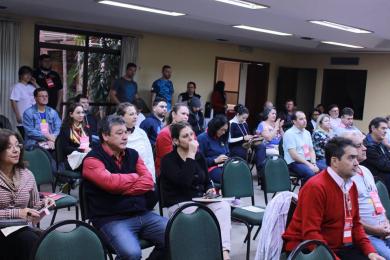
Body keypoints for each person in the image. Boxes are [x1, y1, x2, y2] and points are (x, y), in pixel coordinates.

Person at [283, 137, 383, 260]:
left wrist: (371, 252)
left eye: (356, 158)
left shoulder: (351, 185)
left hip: (336, 247)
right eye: (351, 158)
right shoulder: (316, 187)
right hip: (307, 249)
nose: (357, 163)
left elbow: (356, 225)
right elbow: (311, 234)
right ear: (335, 161)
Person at [82, 115, 167, 260]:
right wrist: (134, 177)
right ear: (105, 136)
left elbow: (148, 182)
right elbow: (110, 183)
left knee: (176, 235)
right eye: (119, 133)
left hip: (142, 213)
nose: (125, 137)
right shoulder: (92, 159)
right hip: (111, 219)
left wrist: (121, 189)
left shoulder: (133, 154)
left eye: (126, 132)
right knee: (131, 254)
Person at [160, 122, 232, 260]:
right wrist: (191, 155)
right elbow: (184, 182)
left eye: (191, 134)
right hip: (179, 203)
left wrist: (210, 189)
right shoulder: (168, 160)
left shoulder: (199, 157)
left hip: (200, 200)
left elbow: (206, 180)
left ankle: (223, 252)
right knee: (196, 216)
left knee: (223, 206)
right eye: (185, 136)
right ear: (176, 141)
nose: (191, 138)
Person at [0, 129, 55, 260]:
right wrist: (18, 213)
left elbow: (34, 205)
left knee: (46, 240)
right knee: (29, 241)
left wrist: (44, 204)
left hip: (20, 227)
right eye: (9, 147)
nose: (15, 150)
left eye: (17, 145)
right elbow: (21, 212)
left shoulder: (27, 174)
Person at [342, 131, 390, 259]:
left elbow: (377, 201)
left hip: (383, 230)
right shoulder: (345, 177)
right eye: (360, 145)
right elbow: (349, 218)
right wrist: (376, 231)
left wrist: (386, 222)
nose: (365, 148)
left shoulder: (366, 170)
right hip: (366, 235)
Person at [116, 102, 156, 182]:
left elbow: (149, 158)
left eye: (136, 114)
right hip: (123, 178)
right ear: (121, 117)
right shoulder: (115, 134)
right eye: (131, 114)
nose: (135, 117)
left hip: (144, 177)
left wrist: (152, 179)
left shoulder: (141, 133)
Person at [283, 111, 319, 184]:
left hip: (307, 161)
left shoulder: (307, 133)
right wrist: (309, 165)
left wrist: (314, 163)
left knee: (323, 170)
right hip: (294, 163)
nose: (305, 121)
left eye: (305, 118)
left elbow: (311, 150)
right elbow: (294, 156)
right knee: (310, 173)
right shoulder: (289, 134)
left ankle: (312, 194)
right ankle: (303, 193)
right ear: (294, 121)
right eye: (301, 119)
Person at [155, 104, 190, 176]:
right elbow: (168, 161)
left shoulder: (189, 132)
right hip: (168, 174)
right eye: (183, 114)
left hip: (187, 168)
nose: (186, 117)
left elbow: (196, 152)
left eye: (187, 115)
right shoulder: (165, 134)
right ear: (174, 114)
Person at [229, 104, 266, 171]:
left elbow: (247, 135)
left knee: (261, 146)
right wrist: (243, 138)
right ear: (237, 114)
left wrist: (253, 137)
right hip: (236, 146)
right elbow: (229, 140)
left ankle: (261, 171)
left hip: (247, 145)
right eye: (243, 118)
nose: (244, 120)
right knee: (249, 154)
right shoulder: (231, 123)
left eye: (246, 118)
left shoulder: (244, 123)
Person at [57, 103, 91, 171]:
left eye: (82, 112)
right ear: (71, 114)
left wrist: (88, 149)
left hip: (84, 155)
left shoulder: (85, 128)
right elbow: (65, 148)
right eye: (78, 113)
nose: (81, 115)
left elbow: (90, 143)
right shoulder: (65, 129)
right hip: (70, 159)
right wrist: (81, 150)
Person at [198, 115, 229, 183]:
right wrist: (215, 160)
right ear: (215, 128)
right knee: (227, 178)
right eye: (222, 130)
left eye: (225, 130)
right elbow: (199, 161)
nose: (224, 132)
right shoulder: (202, 138)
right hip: (210, 168)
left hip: (224, 166)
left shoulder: (223, 137)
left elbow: (227, 153)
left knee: (239, 173)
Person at [362, 117, 390, 190]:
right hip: (376, 183)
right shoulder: (367, 146)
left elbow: (388, 158)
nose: (385, 131)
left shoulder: (380, 143)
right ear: (373, 128)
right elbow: (385, 166)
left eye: (386, 129)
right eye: (383, 128)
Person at [10, 66, 39, 136]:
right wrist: (17, 115)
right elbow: (13, 101)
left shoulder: (31, 87)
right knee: (25, 137)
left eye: (30, 74)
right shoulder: (17, 87)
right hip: (23, 117)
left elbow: (42, 93)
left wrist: (35, 83)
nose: (29, 76)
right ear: (21, 75)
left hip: (34, 117)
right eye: (26, 74)